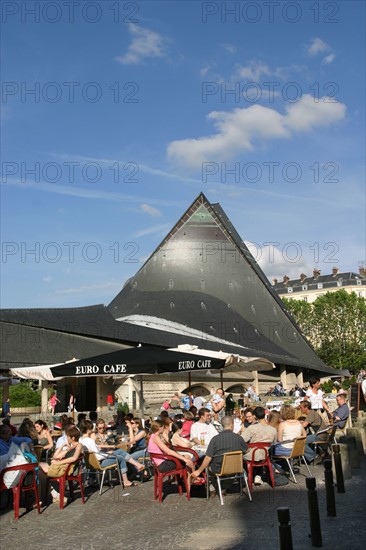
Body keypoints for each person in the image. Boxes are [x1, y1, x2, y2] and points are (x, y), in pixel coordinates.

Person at [191, 416, 248, 497]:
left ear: (222, 425)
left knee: (209, 468)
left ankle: (213, 488)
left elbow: (208, 457)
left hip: (218, 467)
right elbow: (245, 450)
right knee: (232, 471)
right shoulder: (238, 438)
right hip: (235, 467)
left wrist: (199, 471)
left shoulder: (215, 439)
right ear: (232, 425)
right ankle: (224, 488)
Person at [79, 420, 144, 487]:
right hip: (99, 463)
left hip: (89, 463)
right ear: (89, 429)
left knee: (118, 451)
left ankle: (136, 465)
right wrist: (107, 454)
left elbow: (94, 453)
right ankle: (126, 480)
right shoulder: (90, 441)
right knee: (120, 458)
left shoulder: (80, 440)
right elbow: (98, 456)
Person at [39, 426, 83, 503]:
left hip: (64, 469)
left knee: (38, 470)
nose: (67, 439)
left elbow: (74, 458)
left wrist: (58, 462)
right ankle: (57, 494)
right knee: (38, 469)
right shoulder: (71, 447)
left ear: (72, 438)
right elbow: (55, 456)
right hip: (61, 467)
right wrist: (62, 446)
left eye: (68, 437)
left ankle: (46, 497)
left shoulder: (79, 445)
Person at [241, 406, 277, 484]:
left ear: (255, 416)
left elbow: (242, 440)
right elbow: (274, 443)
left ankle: (245, 477)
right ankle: (258, 476)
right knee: (259, 452)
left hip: (252, 454)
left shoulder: (251, 428)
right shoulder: (273, 429)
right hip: (265, 454)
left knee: (241, 454)